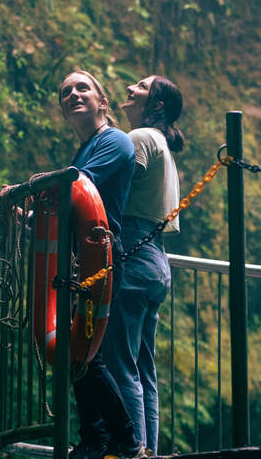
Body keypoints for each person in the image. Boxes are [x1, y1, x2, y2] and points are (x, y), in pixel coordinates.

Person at [59, 71, 149, 459]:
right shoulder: (85, 148)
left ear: (103, 102)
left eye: (82, 88)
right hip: (84, 260)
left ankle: (124, 438)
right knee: (76, 351)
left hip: (103, 260)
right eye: (66, 91)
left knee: (85, 353)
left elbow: (79, 186)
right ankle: (94, 438)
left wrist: (37, 190)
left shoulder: (113, 141)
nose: (74, 94)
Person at [101, 76, 184, 455]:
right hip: (156, 260)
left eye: (141, 86)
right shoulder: (163, 146)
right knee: (142, 370)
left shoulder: (141, 139)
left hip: (132, 253)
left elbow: (110, 192)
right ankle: (145, 450)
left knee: (120, 365)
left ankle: (131, 451)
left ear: (158, 104)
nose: (130, 88)